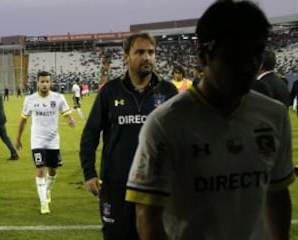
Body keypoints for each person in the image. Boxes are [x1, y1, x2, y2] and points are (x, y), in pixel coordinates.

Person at [125, 1, 295, 240]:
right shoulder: (165, 124)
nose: (247, 67)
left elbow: (277, 195)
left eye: (255, 54)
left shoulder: (274, 115)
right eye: (234, 57)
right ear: (204, 56)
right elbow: (147, 216)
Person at [79, 32, 177, 240]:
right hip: (116, 185)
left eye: (151, 52)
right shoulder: (110, 91)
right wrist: (89, 173)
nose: (147, 57)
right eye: (140, 52)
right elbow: (90, 134)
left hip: (156, 186)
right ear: (126, 56)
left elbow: (182, 137)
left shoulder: (168, 92)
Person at [15, 71, 76, 214]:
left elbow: (66, 114)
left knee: (53, 171)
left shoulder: (58, 98)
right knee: (40, 169)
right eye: (42, 81)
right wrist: (18, 138)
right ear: (37, 83)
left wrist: (70, 120)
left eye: (47, 81)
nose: (44, 84)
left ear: (51, 83)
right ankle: (44, 203)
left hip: (53, 140)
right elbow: (23, 120)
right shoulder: (30, 99)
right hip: (37, 140)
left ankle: (47, 190)